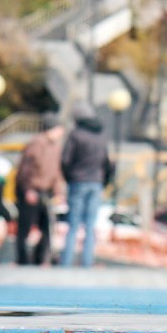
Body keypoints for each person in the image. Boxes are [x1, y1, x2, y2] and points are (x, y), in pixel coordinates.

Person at [58, 112, 111, 268]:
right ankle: (87, 263)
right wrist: (103, 181)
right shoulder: (101, 137)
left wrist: (69, 178)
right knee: (90, 224)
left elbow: (65, 160)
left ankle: (66, 263)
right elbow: (107, 163)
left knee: (73, 224)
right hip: (96, 183)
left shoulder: (76, 135)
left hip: (78, 181)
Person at [13, 125, 64, 267]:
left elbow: (56, 173)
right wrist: (28, 189)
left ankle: (41, 257)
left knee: (46, 226)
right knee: (26, 226)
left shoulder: (56, 147)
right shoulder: (37, 144)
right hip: (32, 189)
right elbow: (26, 168)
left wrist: (58, 192)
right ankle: (22, 258)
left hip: (46, 191)